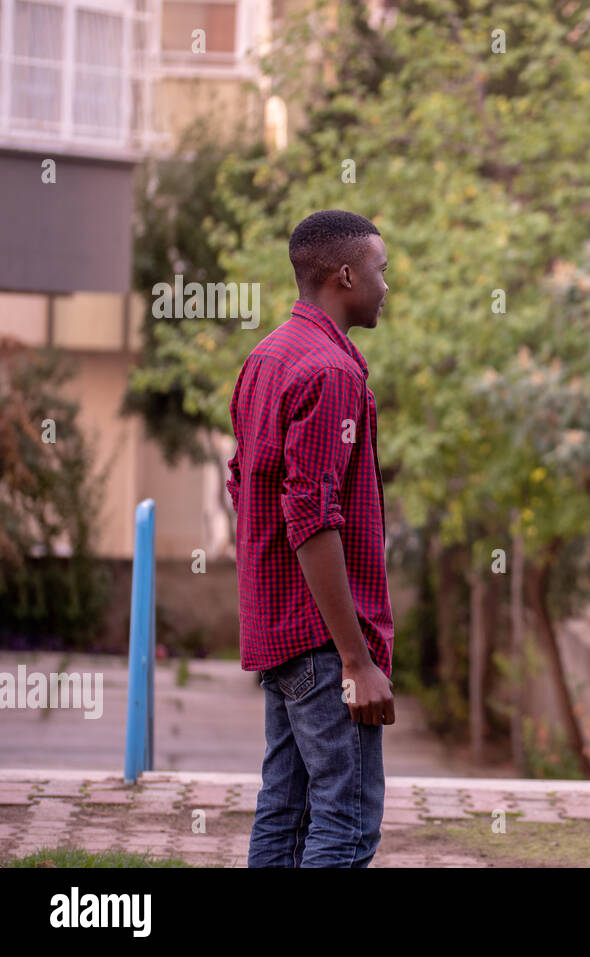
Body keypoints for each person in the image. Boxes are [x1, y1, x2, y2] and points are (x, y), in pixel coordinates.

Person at [227, 209, 395, 867]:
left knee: (286, 810)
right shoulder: (330, 371)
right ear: (347, 274)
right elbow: (312, 517)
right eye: (381, 271)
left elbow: (244, 486)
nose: (386, 286)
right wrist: (356, 660)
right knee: (348, 825)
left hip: (281, 635)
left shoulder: (266, 357)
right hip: (324, 644)